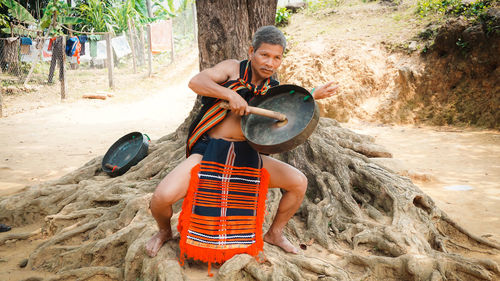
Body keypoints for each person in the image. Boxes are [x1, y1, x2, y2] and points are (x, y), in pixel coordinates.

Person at [146, 25, 338, 258]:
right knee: (161, 198)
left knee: (298, 183)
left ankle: (275, 234)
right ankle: (164, 232)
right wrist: (230, 94)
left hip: (247, 155)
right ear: (251, 52)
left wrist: (313, 94)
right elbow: (196, 81)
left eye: (276, 58)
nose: (270, 63)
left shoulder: (273, 91)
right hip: (210, 151)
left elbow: (291, 106)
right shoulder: (231, 69)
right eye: (264, 55)